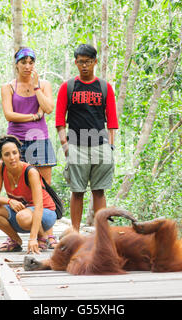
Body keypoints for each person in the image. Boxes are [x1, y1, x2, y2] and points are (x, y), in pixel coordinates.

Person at [55, 44, 118, 232]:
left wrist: (111, 147)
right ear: (75, 62)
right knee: (77, 191)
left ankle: (102, 232)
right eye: (81, 62)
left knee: (99, 191)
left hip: (100, 145)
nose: (84, 66)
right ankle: (74, 231)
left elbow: (112, 121)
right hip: (76, 144)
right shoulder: (68, 87)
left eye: (88, 62)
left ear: (95, 62)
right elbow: (59, 120)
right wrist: (65, 145)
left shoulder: (105, 87)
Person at [1, 47, 58, 247]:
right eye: (23, 62)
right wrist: (34, 116)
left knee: (44, 187)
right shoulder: (8, 87)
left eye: (31, 62)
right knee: (16, 185)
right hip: (15, 141)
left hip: (39, 139)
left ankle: (47, 234)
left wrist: (36, 88)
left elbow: (49, 108)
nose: (27, 66)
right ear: (16, 64)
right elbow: (9, 114)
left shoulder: (44, 84)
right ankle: (14, 237)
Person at [0, 135, 57, 254]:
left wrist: (32, 239)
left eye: (14, 153)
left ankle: (42, 236)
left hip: (45, 213)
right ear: (1, 157)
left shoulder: (30, 172)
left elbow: (39, 206)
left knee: (22, 217)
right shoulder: (1, 168)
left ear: (19, 153)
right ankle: (15, 241)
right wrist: (9, 201)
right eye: (7, 154)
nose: (12, 158)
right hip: (23, 212)